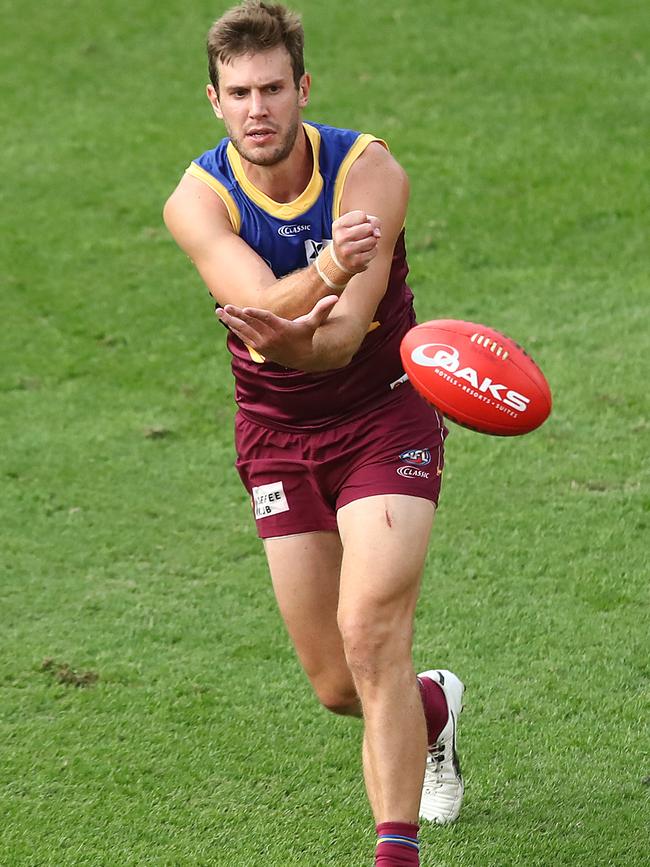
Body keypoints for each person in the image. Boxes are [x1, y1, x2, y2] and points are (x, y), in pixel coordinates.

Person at [163, 3, 465, 864]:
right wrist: (327, 267)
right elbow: (253, 302)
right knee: (341, 684)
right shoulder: (196, 201)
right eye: (238, 92)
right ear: (214, 101)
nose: (257, 107)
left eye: (272, 88)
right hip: (276, 438)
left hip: (383, 415)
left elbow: (336, 341)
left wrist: (290, 322)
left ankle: (395, 848)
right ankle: (433, 707)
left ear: (304, 88)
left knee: (371, 630)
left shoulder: (370, 175)